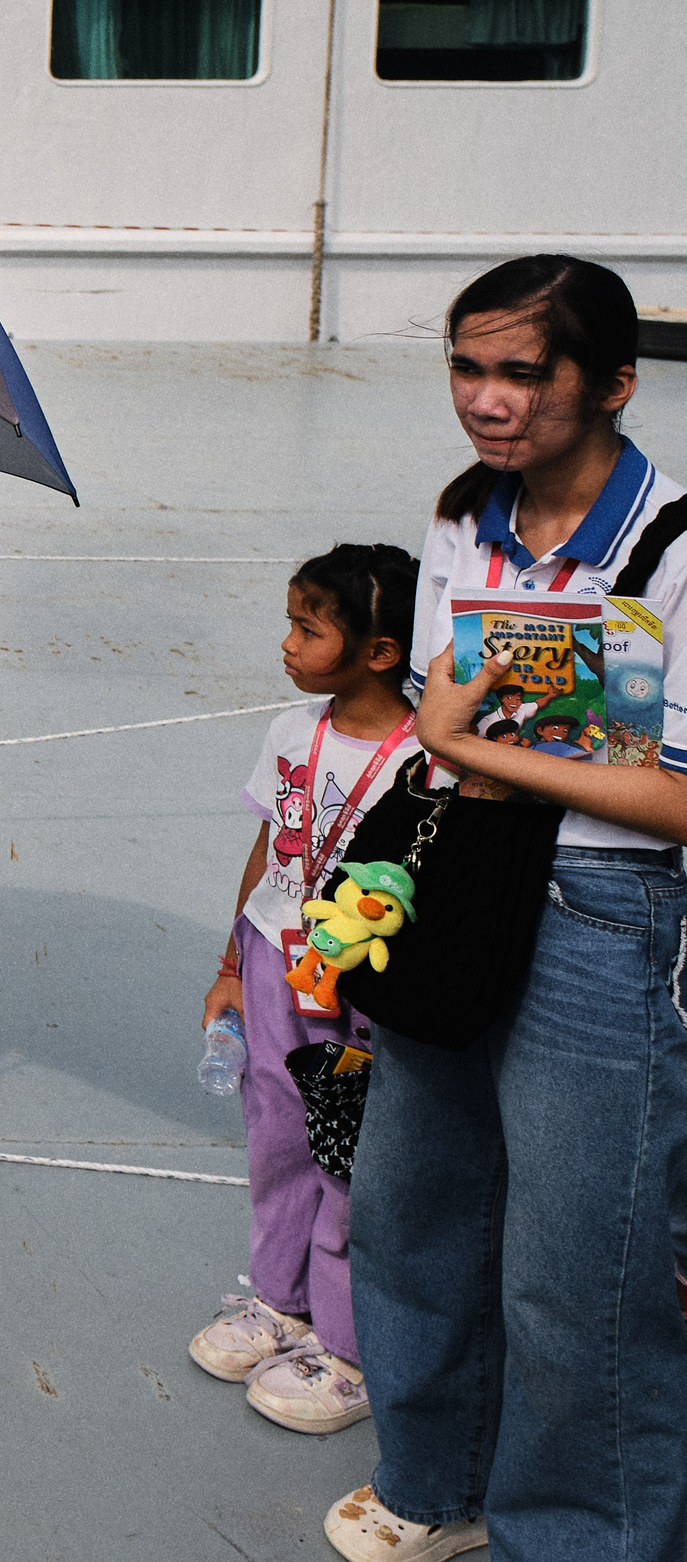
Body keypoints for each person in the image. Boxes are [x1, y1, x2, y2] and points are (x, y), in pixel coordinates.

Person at [327, 255, 687, 1562]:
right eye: (467, 368)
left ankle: (584, 1535)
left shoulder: (676, 545)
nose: (487, 401)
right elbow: (443, 711)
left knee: (575, 1264)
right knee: (414, 1205)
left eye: (522, 372)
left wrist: (468, 740)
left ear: (612, 383)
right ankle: (438, 1478)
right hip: (456, 878)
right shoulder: (462, 521)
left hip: (598, 900)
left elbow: (675, 799)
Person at [191, 545, 419, 1437]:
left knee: (350, 1160)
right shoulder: (293, 732)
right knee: (278, 1136)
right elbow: (270, 849)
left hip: (362, 986)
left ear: (380, 652)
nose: (287, 643)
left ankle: (350, 1345)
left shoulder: (421, 757)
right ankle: (281, 1303)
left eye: (307, 626)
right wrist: (229, 967)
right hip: (274, 961)